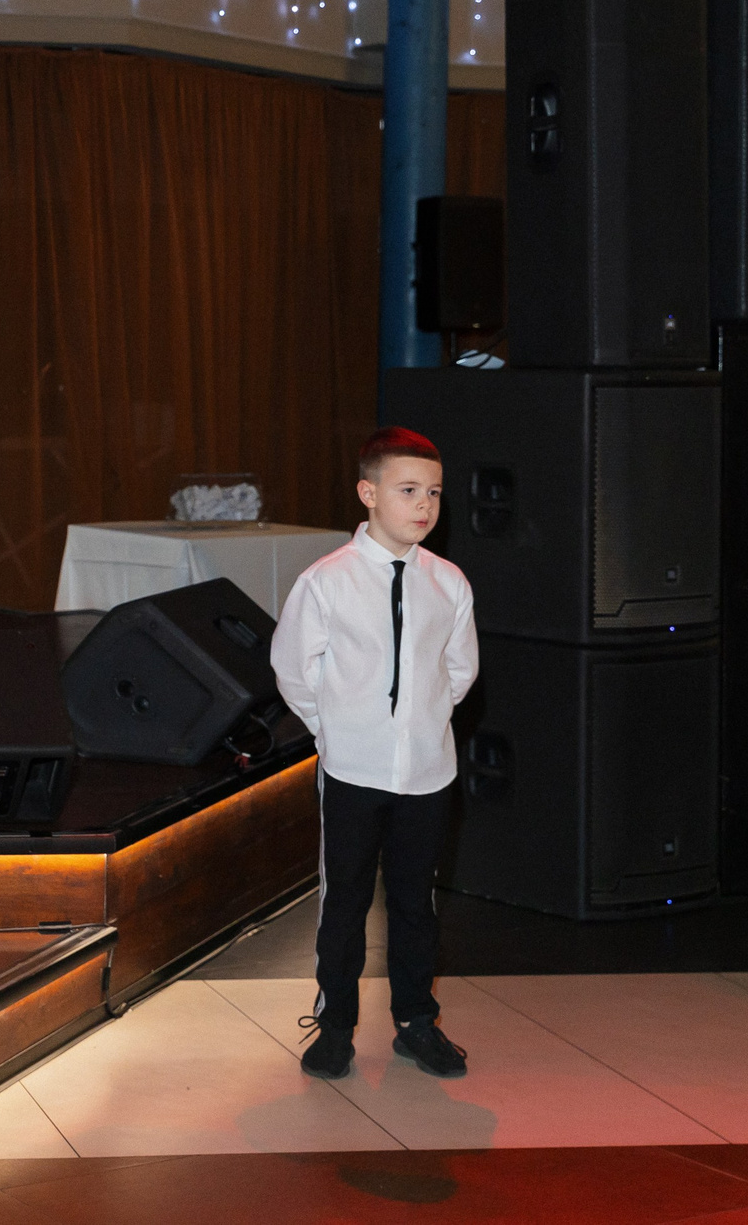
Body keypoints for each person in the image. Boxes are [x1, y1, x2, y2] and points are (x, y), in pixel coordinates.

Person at [270, 426, 479, 1082]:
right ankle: (335, 1024)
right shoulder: (326, 581)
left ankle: (417, 1020)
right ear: (368, 493)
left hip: (426, 772)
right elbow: (293, 668)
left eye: (435, 493)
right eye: (408, 489)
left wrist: (419, 724)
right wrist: (337, 731)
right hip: (353, 769)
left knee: (418, 901)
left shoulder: (448, 582)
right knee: (346, 900)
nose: (424, 505)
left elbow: (460, 667)